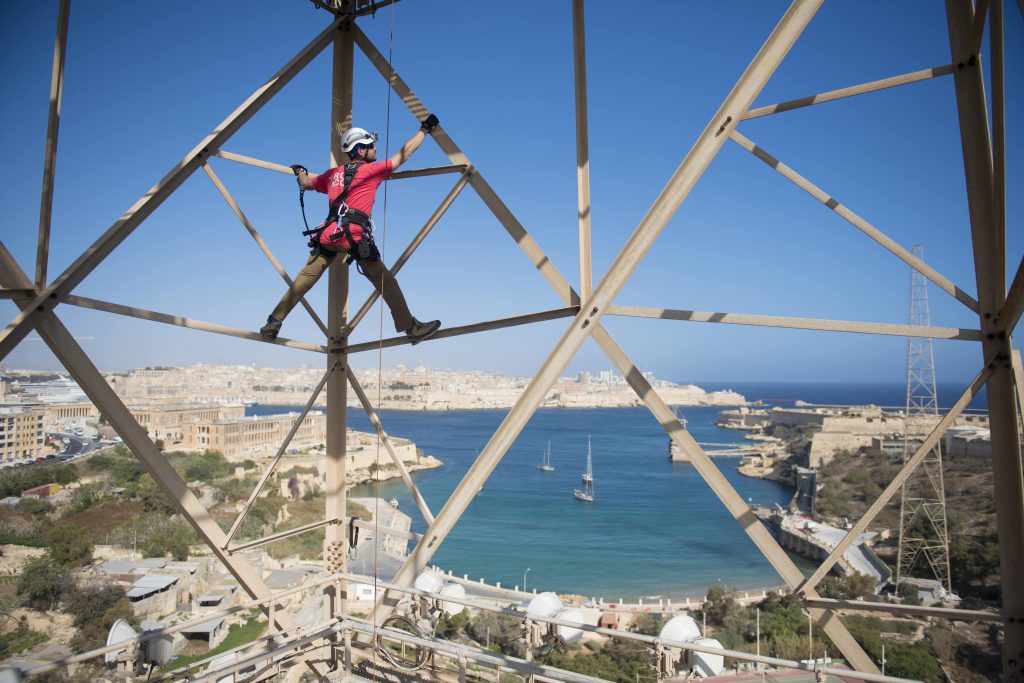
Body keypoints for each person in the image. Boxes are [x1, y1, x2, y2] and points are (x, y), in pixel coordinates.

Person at [260, 115, 442, 345]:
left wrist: (300, 172)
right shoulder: (371, 171)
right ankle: (411, 328)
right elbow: (404, 154)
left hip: (327, 236)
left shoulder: (332, 175)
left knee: (304, 279)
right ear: (360, 151)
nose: (375, 148)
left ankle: (273, 322)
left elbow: (305, 183)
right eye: (370, 146)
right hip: (353, 237)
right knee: (386, 282)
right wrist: (425, 129)